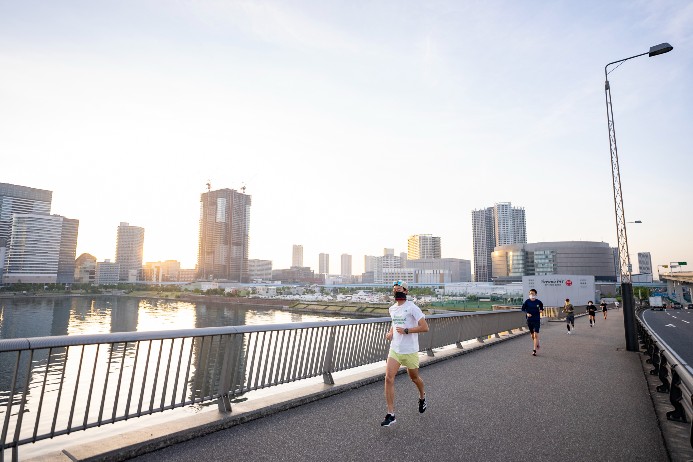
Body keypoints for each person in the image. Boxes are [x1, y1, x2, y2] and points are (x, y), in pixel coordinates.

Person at [381, 280, 429, 427]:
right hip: (395, 349)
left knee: (414, 378)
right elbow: (394, 324)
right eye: (395, 289)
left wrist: (407, 331)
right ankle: (391, 414)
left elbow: (425, 327)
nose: (397, 291)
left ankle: (422, 397)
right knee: (389, 378)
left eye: (400, 289)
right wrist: (390, 333)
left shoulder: (413, 308)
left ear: (406, 291)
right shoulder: (392, 309)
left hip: (410, 350)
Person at [521, 289, 544, 356]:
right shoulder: (527, 302)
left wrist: (541, 310)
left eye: (533, 293)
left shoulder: (539, 302)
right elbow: (522, 309)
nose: (531, 295)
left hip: (536, 319)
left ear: (536, 294)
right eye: (530, 293)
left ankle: (534, 350)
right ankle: (537, 343)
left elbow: (542, 308)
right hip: (529, 320)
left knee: (535, 335)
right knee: (532, 335)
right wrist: (527, 313)